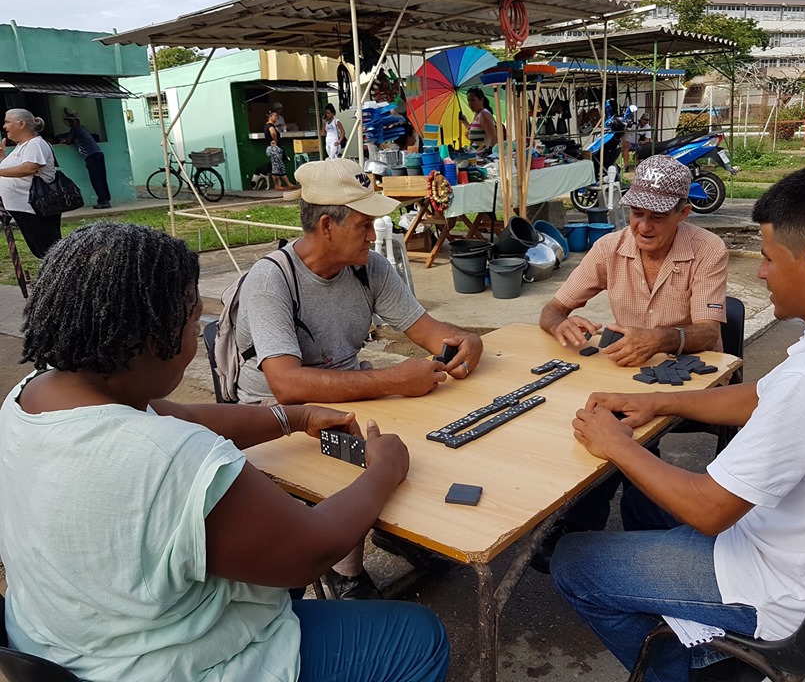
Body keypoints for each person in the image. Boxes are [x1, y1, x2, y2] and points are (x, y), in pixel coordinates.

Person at [0, 222, 450, 682]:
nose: (200, 335)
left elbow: (181, 415)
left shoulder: (31, 395)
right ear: (150, 339)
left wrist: (292, 417)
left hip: (59, 643)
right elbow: (312, 549)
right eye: (194, 321)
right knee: (416, 635)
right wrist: (384, 469)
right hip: (160, 666)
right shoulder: (169, 461)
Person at [550, 158, 805, 681]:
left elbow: (710, 511)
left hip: (777, 585)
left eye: (767, 257)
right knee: (648, 504)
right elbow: (762, 395)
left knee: (573, 560)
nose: (758, 273)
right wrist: (660, 402)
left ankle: (686, 670)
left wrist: (618, 444)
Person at [235, 157, 484, 597]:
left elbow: (427, 331)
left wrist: (467, 341)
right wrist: (391, 381)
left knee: (437, 440)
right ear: (327, 225)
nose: (374, 236)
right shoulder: (271, 280)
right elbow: (287, 386)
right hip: (279, 420)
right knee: (374, 456)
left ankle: (393, 533)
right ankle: (344, 572)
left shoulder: (368, 266)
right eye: (364, 225)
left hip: (351, 398)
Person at [531, 154, 728, 573]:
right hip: (624, 372)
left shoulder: (708, 249)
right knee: (583, 411)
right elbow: (553, 307)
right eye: (636, 214)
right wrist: (561, 325)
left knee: (613, 424)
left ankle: (588, 520)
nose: (643, 227)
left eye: (657, 217)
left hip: (688, 378)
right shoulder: (609, 247)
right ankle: (608, 514)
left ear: (684, 212)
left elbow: (709, 333)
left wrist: (661, 339)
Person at [0, 109, 60, 258]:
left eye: (7, 122)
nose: (4, 126)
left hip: (35, 208)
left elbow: (30, 168)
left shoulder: (35, 144)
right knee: (42, 251)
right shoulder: (22, 146)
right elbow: (11, 171)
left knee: (49, 251)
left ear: (21, 124)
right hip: (23, 208)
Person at [54, 109, 111, 209]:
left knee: (96, 179)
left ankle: (103, 201)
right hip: (98, 154)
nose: (70, 123)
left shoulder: (75, 129)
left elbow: (68, 141)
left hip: (91, 156)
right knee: (101, 178)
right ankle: (106, 199)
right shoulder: (82, 129)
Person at [265, 110, 295, 191]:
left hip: (276, 148)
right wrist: (275, 142)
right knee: (276, 167)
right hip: (274, 148)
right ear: (270, 117)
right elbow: (273, 133)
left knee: (281, 166)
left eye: (277, 116)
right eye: (275, 116)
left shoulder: (272, 126)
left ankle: (288, 184)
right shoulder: (270, 126)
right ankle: (277, 185)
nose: (276, 118)